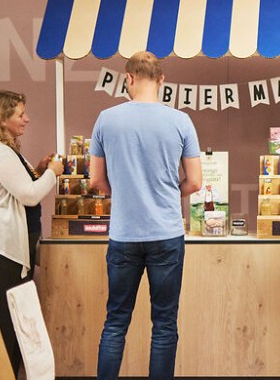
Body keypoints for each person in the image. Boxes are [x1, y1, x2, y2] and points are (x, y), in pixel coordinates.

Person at [89, 51, 202, 380]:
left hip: (124, 235)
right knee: (164, 323)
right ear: (162, 81)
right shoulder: (180, 121)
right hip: (166, 234)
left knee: (115, 321)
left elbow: (96, 180)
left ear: (129, 78)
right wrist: (167, 192)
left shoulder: (106, 119)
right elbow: (195, 181)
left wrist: (125, 193)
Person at [0, 90, 64, 375]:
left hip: (3, 247)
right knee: (3, 322)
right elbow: (29, 195)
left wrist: (40, 169)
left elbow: (18, 186)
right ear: (3, 118)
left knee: (10, 320)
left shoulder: (3, 150)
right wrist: (53, 173)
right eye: (21, 114)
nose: (27, 119)